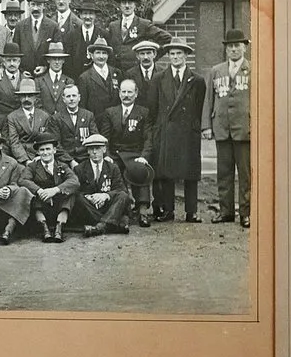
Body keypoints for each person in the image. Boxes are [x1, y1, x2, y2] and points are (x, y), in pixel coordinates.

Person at [149, 36, 208, 222]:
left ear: (186, 55)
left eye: (179, 53)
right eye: (172, 54)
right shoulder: (159, 78)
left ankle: (192, 211)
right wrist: (157, 130)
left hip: (188, 131)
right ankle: (169, 211)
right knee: (167, 172)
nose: (175, 57)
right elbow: (153, 108)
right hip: (166, 130)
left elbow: (200, 107)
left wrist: (195, 127)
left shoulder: (196, 80)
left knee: (190, 172)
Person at [207, 28, 254, 227]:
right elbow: (208, 101)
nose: (234, 50)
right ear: (226, 50)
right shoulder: (216, 71)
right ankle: (226, 211)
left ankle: (245, 212)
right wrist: (206, 127)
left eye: (237, 46)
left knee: (245, 174)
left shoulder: (253, 69)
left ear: (244, 47)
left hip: (244, 129)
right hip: (222, 128)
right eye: (230, 46)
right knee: (223, 172)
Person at [103, 74, 155, 222]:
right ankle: (123, 210)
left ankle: (143, 210)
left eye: (130, 92)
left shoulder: (143, 112)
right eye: (123, 92)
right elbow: (105, 138)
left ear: (136, 93)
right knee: (114, 171)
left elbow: (148, 138)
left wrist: (144, 156)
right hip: (115, 154)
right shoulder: (110, 112)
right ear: (119, 93)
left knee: (141, 169)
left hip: (135, 153)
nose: (126, 95)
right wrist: (106, 155)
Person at [20, 131, 79, 243]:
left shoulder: (62, 165)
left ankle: (59, 227)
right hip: (42, 205)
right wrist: (40, 191)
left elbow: (74, 181)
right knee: (31, 195)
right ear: (37, 152)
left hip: (59, 206)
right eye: (42, 150)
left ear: (54, 150)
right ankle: (44, 228)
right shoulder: (32, 167)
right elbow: (23, 180)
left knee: (70, 194)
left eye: (48, 149)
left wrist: (55, 190)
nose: (45, 153)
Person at [73, 131, 131, 236]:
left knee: (123, 196)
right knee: (77, 198)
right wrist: (89, 197)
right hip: (91, 208)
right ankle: (113, 224)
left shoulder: (113, 167)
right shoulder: (79, 168)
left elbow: (121, 189)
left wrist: (106, 195)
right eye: (91, 149)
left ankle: (100, 227)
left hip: (108, 206)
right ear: (87, 151)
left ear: (104, 149)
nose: (95, 152)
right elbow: (77, 191)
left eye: (98, 148)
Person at [77, 35, 123, 121]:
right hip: (96, 121)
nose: (101, 56)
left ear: (108, 55)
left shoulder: (117, 73)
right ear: (92, 55)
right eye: (98, 53)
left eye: (104, 53)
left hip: (115, 121)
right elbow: (83, 106)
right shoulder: (84, 77)